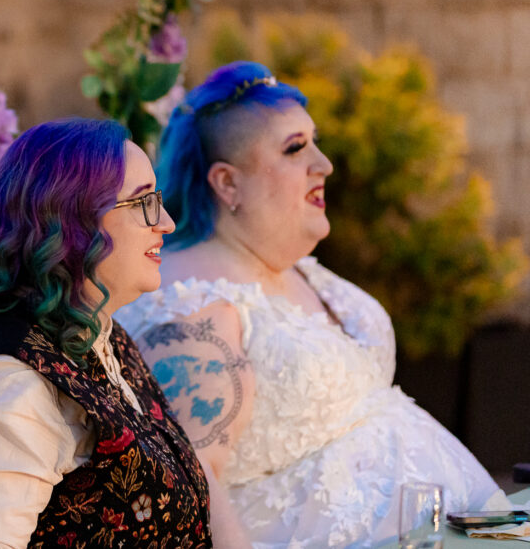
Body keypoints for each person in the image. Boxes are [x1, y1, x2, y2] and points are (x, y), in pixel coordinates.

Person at [118, 61, 507, 547]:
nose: (323, 164)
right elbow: (196, 482)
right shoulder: (190, 304)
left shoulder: (299, 266)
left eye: (314, 142)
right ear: (227, 183)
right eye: (295, 148)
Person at [0, 118, 214, 548]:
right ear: (72, 221)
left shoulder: (102, 338)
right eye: (143, 202)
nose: (167, 223)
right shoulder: (1, 389)